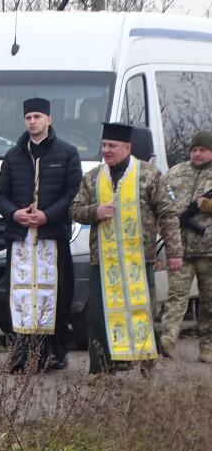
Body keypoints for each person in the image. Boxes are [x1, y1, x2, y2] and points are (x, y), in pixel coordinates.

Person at [69, 122, 183, 375]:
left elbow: (167, 214)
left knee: (141, 311)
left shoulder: (149, 174)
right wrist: (94, 211)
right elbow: (74, 210)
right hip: (103, 259)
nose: (106, 150)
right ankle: (102, 369)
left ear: (127, 147)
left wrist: (175, 252)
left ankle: (146, 364)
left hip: (140, 258)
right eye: (104, 145)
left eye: (112, 146)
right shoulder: (92, 177)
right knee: (99, 317)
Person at [0, 98, 82, 373]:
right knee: (19, 297)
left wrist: (47, 215)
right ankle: (20, 355)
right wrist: (14, 213)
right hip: (21, 239)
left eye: (37, 116)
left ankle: (53, 353)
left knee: (55, 297)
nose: (32, 121)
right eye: (28, 117)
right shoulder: (13, 155)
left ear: (49, 119)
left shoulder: (67, 153)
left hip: (51, 236)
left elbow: (73, 193)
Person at [161, 130, 212, 362]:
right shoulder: (176, 172)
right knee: (176, 297)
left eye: (202, 150)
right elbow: (160, 200)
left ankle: (207, 347)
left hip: (209, 251)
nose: (197, 154)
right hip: (179, 249)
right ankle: (168, 340)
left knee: (209, 302)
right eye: (194, 150)